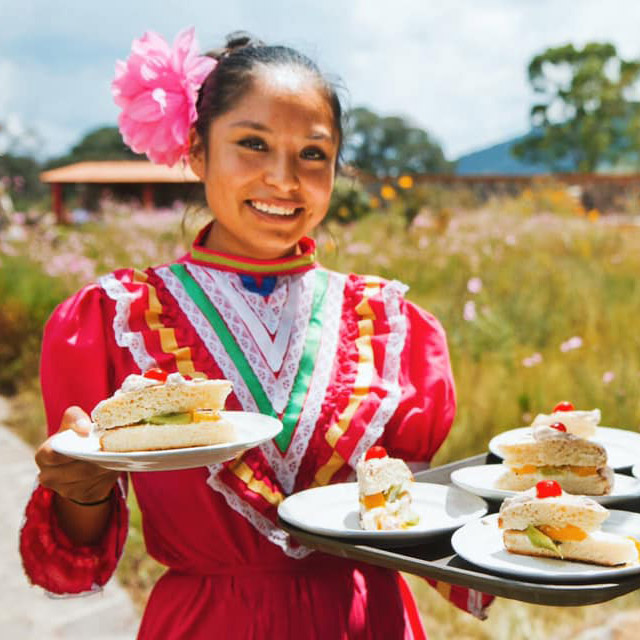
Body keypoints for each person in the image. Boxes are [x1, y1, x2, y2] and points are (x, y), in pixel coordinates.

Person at [20, 28, 492, 639]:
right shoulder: (117, 320)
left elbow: (409, 519)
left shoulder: (388, 324)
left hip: (364, 619)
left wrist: (519, 521)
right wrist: (81, 492)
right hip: (207, 622)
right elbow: (74, 558)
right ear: (196, 151)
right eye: (252, 144)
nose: (284, 179)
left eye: (313, 154)